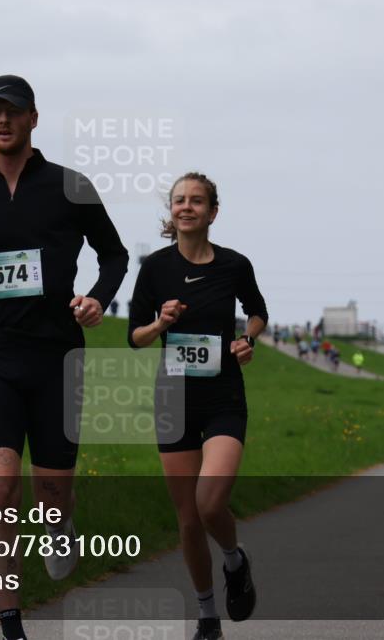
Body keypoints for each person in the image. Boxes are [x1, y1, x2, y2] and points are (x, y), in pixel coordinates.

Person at [0, 75, 128, 640]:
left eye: (14, 112)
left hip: (57, 355)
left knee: (51, 493)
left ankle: (59, 523)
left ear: (35, 118)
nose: (3, 121)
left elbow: (114, 253)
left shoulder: (70, 185)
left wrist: (97, 299)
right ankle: (9, 620)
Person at [128, 172, 267, 640]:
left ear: (212, 211)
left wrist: (247, 340)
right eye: (179, 200)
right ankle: (207, 616)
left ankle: (234, 559)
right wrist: (159, 322)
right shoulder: (154, 268)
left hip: (223, 396)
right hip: (173, 399)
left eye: (196, 201)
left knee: (210, 504)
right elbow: (135, 337)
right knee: (187, 517)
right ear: (172, 211)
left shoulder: (234, 265)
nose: (186, 207)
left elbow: (258, 311)